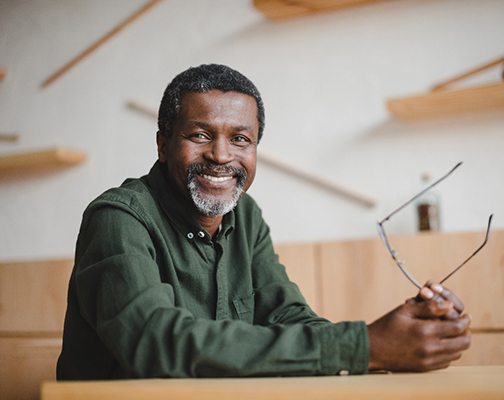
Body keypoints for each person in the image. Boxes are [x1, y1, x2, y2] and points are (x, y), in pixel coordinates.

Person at [57, 64, 471, 380]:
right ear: (163, 145)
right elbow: (156, 342)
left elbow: (290, 317)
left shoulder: (245, 215)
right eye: (200, 135)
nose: (221, 156)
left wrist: (400, 331)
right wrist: (365, 347)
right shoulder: (118, 217)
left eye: (240, 139)